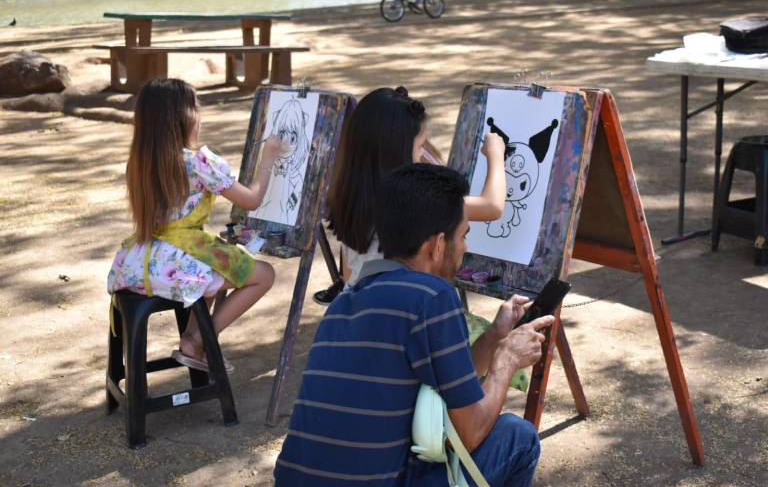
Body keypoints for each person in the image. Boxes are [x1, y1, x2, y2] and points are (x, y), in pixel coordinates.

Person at [274, 163, 554, 486]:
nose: (465, 248)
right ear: (436, 245)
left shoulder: (343, 303)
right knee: (517, 437)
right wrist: (506, 360)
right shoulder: (433, 297)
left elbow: (450, 381)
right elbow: (472, 431)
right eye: (463, 236)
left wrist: (495, 335)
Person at [107, 78, 284, 372]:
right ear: (185, 117)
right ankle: (199, 340)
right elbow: (251, 200)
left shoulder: (139, 161)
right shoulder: (199, 162)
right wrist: (267, 159)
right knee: (264, 275)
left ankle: (193, 337)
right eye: (196, 108)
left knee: (213, 269)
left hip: (136, 263)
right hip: (178, 262)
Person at [315, 86, 506, 301]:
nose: (422, 154)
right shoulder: (412, 198)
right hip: (401, 315)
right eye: (419, 147)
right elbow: (492, 206)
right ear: (397, 151)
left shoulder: (351, 191)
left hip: (359, 311)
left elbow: (349, 274)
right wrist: (496, 155)